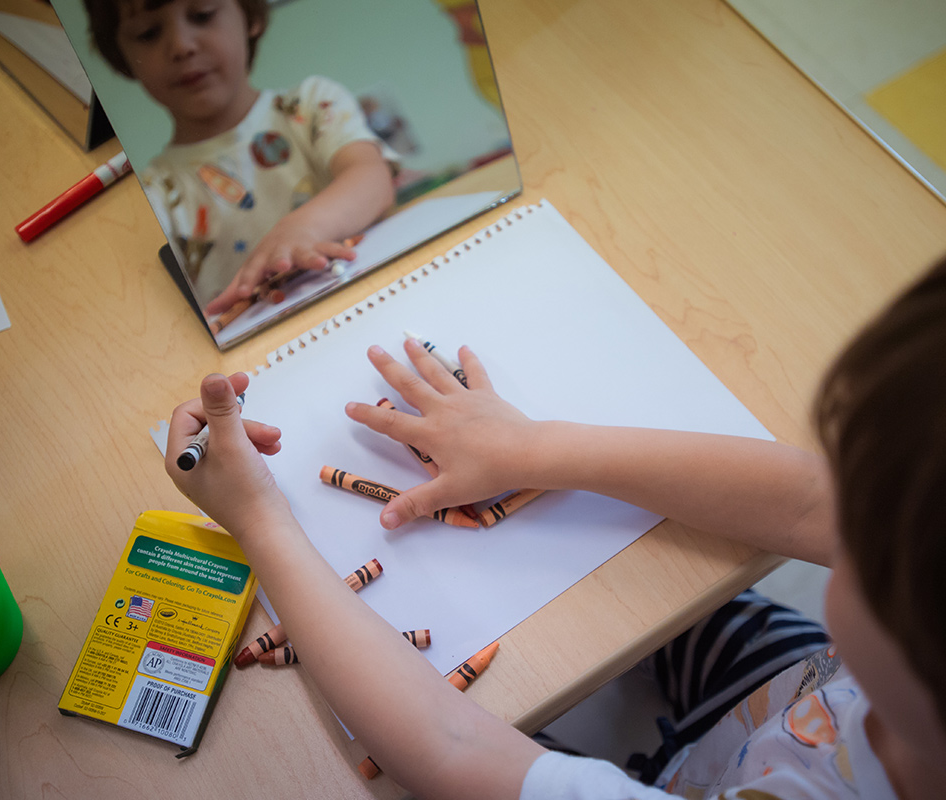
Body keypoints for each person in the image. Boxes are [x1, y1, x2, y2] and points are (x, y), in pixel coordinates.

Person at [164, 256, 946, 799]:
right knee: (698, 604)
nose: (847, 523)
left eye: (870, 549)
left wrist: (261, 520)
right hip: (797, 703)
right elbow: (812, 502)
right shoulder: (915, 671)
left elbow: (451, 746)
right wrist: (531, 447)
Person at [85, 0, 397, 311]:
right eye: (148, 33)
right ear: (123, 60)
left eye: (203, 15)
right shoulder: (155, 193)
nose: (181, 46)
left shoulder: (310, 106)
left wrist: (304, 229)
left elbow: (372, 178)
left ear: (249, 18)